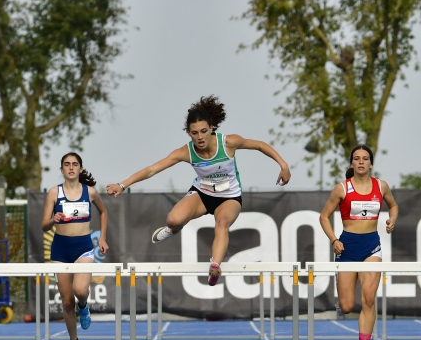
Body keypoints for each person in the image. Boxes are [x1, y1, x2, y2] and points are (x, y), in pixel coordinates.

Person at [106, 95, 291, 285]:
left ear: (211, 128)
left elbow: (260, 145)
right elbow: (152, 169)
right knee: (173, 219)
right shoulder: (186, 152)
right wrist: (122, 185)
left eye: (204, 131)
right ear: (188, 133)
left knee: (222, 223)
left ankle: (215, 266)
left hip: (229, 197)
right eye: (195, 133)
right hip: (203, 194)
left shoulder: (228, 143)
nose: (200, 137)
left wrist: (283, 166)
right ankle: (172, 229)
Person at [319, 145, 398, 340]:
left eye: (365, 159)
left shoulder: (381, 186)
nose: (361, 162)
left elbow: (393, 205)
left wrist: (392, 219)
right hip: (347, 248)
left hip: (371, 246)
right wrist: (334, 240)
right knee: (346, 306)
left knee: (369, 299)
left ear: (371, 163)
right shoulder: (341, 189)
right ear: (352, 163)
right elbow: (323, 217)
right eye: (357, 158)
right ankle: (341, 302)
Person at [42, 153, 109, 340]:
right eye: (67, 165)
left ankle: (84, 305)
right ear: (61, 169)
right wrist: (53, 219)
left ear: (80, 168)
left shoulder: (90, 192)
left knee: (80, 290)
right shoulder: (54, 192)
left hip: (83, 248)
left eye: (75, 164)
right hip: (60, 250)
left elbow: (103, 213)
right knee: (67, 301)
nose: (71, 168)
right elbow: (44, 227)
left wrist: (103, 238)